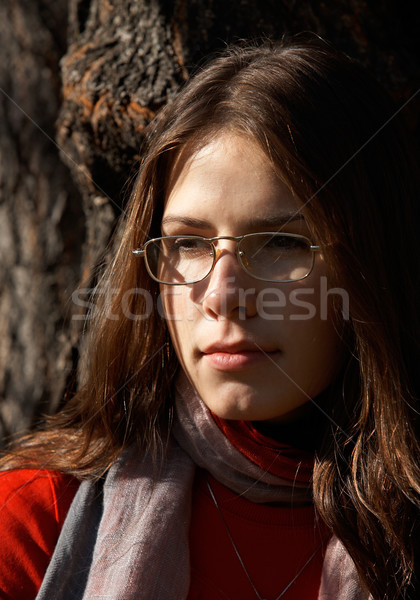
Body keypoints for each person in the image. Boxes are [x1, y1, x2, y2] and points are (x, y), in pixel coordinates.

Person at [0, 33, 419, 600]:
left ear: (373, 263)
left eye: (281, 243)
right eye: (190, 244)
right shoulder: (37, 520)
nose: (221, 295)